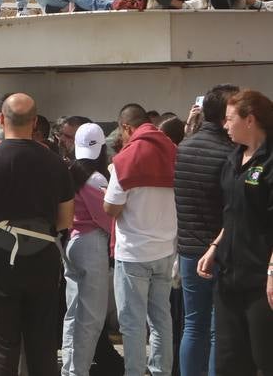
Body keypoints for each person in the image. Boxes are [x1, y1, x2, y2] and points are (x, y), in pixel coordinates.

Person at [0, 93, 73, 376]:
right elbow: (65, 219)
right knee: (42, 344)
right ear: (34, 123)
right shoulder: (55, 164)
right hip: (43, 258)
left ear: (0, 119)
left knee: (3, 344)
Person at [197, 88, 273, 375]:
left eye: (230, 119)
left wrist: (271, 273)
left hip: (262, 282)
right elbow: (232, 213)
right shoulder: (232, 160)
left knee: (264, 358)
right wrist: (215, 246)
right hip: (229, 277)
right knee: (229, 360)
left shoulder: (269, 161)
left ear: (250, 119)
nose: (224, 125)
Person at [104, 103, 178, 376]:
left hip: (133, 252)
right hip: (165, 249)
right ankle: (161, 371)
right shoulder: (172, 150)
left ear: (126, 127)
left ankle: (134, 372)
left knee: (132, 323)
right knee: (161, 319)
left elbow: (111, 207)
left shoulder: (127, 157)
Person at [175, 84, 238, 376]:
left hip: (188, 248)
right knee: (218, 330)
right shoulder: (230, 153)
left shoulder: (184, 147)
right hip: (221, 250)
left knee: (193, 325)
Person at [61, 122, 113, 376]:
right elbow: (108, 218)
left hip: (71, 242)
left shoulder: (70, 172)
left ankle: (70, 370)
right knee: (91, 317)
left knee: (73, 313)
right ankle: (78, 372)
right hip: (92, 245)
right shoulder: (97, 179)